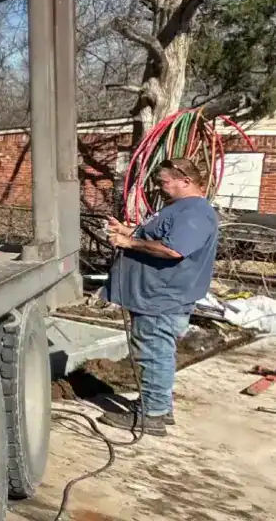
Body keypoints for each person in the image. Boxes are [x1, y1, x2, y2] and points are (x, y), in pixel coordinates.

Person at [99, 157, 220, 437]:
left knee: (154, 353)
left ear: (185, 181)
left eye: (164, 182)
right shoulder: (180, 209)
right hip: (154, 295)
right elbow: (158, 236)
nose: (160, 187)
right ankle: (157, 407)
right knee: (155, 351)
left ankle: (152, 415)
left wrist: (130, 243)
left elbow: (174, 249)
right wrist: (125, 231)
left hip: (162, 298)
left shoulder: (195, 213)